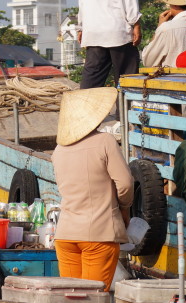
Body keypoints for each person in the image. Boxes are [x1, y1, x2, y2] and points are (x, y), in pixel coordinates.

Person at [51, 87, 134, 291]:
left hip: (65, 235)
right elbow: (125, 184)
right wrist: (124, 207)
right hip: (98, 235)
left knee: (70, 298)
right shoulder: (104, 141)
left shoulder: (58, 150)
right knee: (92, 298)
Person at [141, 0, 186, 68]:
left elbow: (148, 61)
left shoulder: (166, 28)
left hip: (172, 78)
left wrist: (160, 27)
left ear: (175, 4)